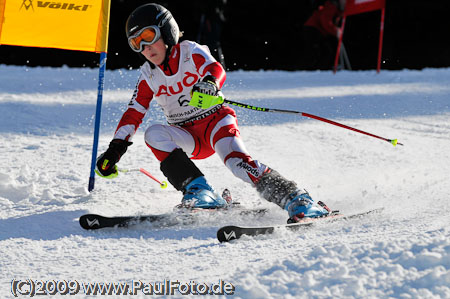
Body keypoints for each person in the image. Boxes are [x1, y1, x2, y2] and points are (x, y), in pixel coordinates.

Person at [95, 3, 330, 222]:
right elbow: (134, 112)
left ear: (166, 31)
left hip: (216, 122)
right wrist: (116, 148)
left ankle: (298, 199)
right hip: (187, 135)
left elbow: (214, 68)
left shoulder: (189, 51)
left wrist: (210, 82)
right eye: (136, 43)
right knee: (154, 134)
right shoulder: (148, 75)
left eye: (148, 37)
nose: (145, 48)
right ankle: (200, 192)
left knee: (238, 164)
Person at [301, 0, 343, 70]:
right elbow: (325, 21)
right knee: (319, 52)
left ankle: (319, 71)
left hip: (316, 31)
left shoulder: (337, 9)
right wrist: (336, 31)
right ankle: (314, 71)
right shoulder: (331, 5)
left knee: (325, 52)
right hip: (313, 30)